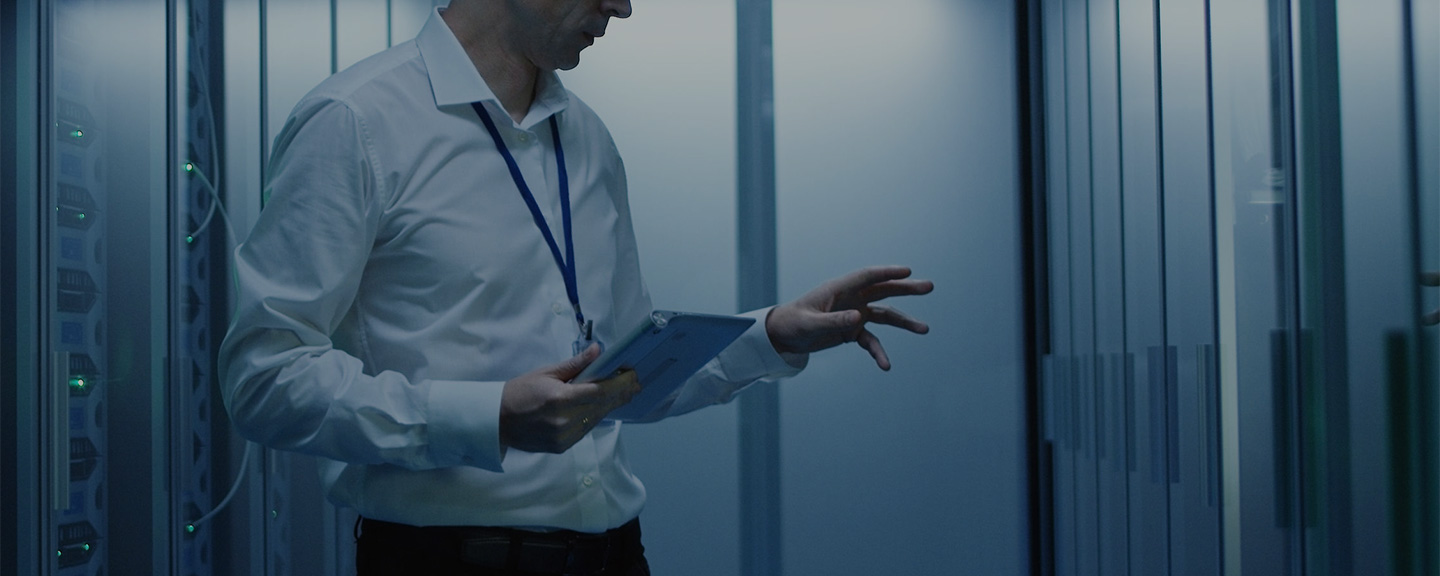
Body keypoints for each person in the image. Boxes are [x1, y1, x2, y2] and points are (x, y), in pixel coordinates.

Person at [217, 0, 933, 574]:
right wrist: (490, 418)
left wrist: (770, 333)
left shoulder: (587, 138)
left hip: (616, 553)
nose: (622, 8)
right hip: (445, 560)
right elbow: (263, 377)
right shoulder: (355, 122)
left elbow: (626, 377)